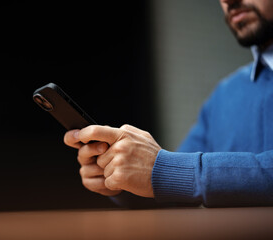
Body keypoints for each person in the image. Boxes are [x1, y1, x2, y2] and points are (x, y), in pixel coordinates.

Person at [64, 0, 273, 208]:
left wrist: (164, 171)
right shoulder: (225, 94)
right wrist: (121, 179)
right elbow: (177, 190)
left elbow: (176, 172)